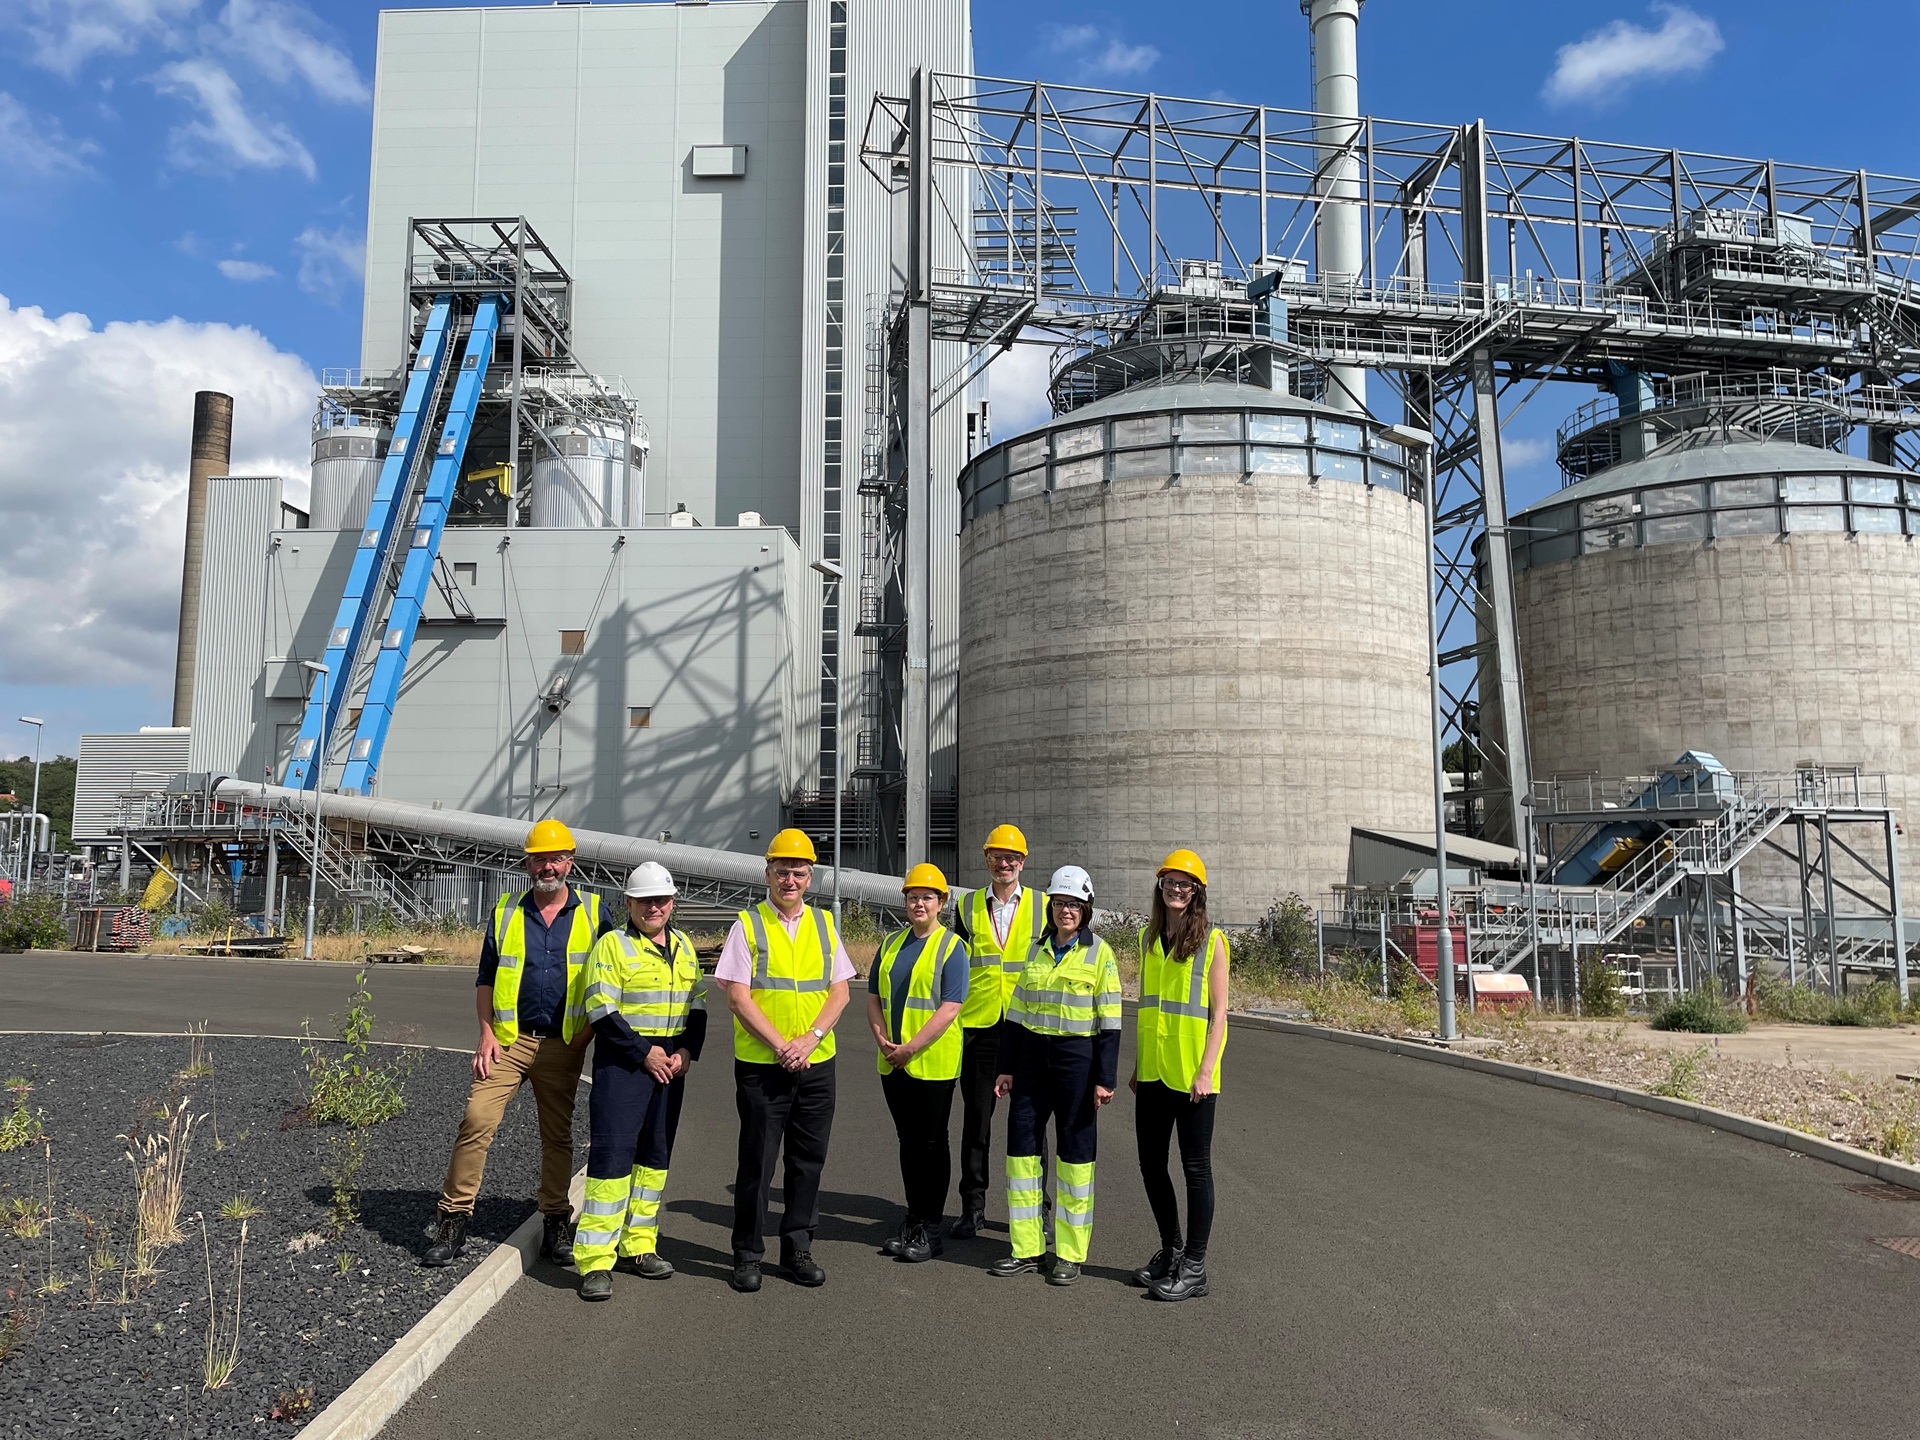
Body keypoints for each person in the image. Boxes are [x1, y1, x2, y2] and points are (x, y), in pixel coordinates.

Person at [422, 819, 605, 1268]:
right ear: (527, 864)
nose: (549, 866)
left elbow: (608, 982)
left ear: (570, 861)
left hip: (564, 1042)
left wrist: (584, 1037)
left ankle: (557, 1221)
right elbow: (486, 978)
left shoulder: (596, 912)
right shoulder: (505, 911)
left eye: (556, 857)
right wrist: (485, 1032)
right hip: (508, 1040)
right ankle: (452, 1220)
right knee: (475, 1120)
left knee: (557, 1136)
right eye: (540, 858)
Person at [717, 828, 855, 1293]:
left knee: (807, 1161)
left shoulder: (822, 924)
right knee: (757, 1162)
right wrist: (782, 1044)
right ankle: (747, 1254)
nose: (790, 879)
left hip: (816, 1062)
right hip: (763, 1065)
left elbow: (840, 990)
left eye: (798, 872)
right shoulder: (748, 924)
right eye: (782, 871)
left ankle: (798, 1247)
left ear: (810, 877)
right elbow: (737, 996)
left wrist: (811, 1039)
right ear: (768, 873)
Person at [573, 861, 706, 1300]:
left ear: (672, 903)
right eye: (645, 900)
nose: (654, 907)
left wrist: (686, 1053)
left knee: (653, 1159)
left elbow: (698, 1007)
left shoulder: (685, 946)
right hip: (624, 1066)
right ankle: (595, 1261)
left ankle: (639, 1245)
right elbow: (601, 1009)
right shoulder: (612, 946)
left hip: (669, 1065)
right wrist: (644, 1053)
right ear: (628, 903)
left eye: (662, 900)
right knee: (612, 1161)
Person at [990, 865, 1122, 1287]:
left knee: (1075, 1154)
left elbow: (1111, 1021)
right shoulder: (1036, 950)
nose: (1067, 911)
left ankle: (1068, 1253)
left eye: (1075, 905)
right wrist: (1007, 1067)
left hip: (1076, 1059)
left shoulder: (1100, 953)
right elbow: (1016, 1014)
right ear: (1051, 906)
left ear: (1087, 908)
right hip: (1031, 1059)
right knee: (1022, 1151)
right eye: (1061, 903)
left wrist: (1105, 1078)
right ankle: (1027, 1247)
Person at [1130, 849, 1230, 1302]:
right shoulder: (1147, 938)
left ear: (1197, 893)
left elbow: (1220, 1014)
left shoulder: (1213, 941)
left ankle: (1194, 1266)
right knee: (1151, 1165)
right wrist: (1136, 1066)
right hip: (1152, 1073)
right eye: (1170, 881)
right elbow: (1149, 1007)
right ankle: (1170, 1249)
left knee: (1195, 1169)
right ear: (1160, 886)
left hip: (1193, 1078)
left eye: (1185, 884)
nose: (1176, 889)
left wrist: (1207, 1070)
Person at [867, 863, 969, 1263]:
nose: (919, 903)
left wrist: (910, 1047)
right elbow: (874, 995)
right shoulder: (891, 942)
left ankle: (930, 1226)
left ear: (941, 902)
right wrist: (881, 1038)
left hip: (931, 1061)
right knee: (908, 1141)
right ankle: (913, 1217)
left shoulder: (952, 947)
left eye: (928, 897)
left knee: (931, 1141)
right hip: (893, 1061)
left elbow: (950, 1006)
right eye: (913, 897)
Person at [949, 824, 1044, 1239]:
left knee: (1031, 1125)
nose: (1004, 863)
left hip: (1029, 1028)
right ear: (986, 859)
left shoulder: (1043, 906)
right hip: (981, 1028)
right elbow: (953, 963)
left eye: (1011, 858)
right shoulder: (966, 906)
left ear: (1022, 862)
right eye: (996, 856)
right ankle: (973, 1208)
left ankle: (1034, 1210)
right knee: (977, 1122)